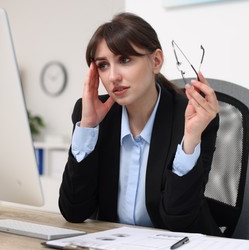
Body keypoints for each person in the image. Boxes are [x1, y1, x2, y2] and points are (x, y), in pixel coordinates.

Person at [59, 12, 222, 236]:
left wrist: (190, 140)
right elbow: (74, 210)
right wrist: (88, 126)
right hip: (115, 247)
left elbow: (178, 221)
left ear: (155, 61)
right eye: (103, 65)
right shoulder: (92, 114)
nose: (113, 76)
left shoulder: (192, 117)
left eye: (125, 60)